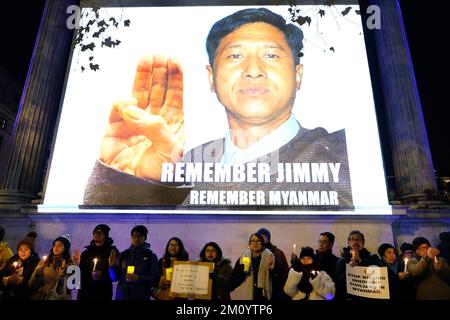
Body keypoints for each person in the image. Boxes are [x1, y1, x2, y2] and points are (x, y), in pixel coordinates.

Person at [83, 7, 353, 208]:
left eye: (271, 55)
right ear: (211, 78)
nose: (253, 71)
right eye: (235, 56)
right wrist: (125, 183)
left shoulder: (344, 155)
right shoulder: (180, 167)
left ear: (297, 75)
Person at [108, 225, 159, 300]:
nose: (136, 238)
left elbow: (155, 279)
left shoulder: (150, 256)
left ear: (145, 238)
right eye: (134, 236)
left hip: (141, 296)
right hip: (122, 296)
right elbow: (114, 278)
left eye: (140, 236)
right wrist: (112, 267)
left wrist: (138, 278)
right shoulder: (123, 254)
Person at [77, 224, 119, 300]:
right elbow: (80, 273)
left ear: (105, 236)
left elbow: (115, 275)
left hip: (102, 292)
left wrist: (102, 275)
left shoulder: (111, 252)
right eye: (96, 232)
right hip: (85, 293)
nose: (98, 234)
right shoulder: (86, 253)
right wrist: (75, 265)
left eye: (101, 233)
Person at [334, 230, 379, 300]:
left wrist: (360, 261)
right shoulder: (342, 261)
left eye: (359, 239)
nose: (356, 242)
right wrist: (349, 268)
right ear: (348, 243)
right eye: (352, 239)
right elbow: (338, 282)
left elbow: (378, 273)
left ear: (363, 243)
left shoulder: (373, 258)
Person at [229, 233, 275, 300]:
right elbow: (233, 280)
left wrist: (273, 270)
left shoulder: (269, 257)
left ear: (262, 244)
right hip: (247, 295)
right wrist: (241, 272)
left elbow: (277, 278)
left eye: (258, 241)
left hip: (263, 296)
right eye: (253, 241)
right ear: (249, 244)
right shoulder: (244, 257)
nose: (255, 243)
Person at [29, 234, 75, 300]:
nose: (56, 247)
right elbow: (31, 285)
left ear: (66, 248)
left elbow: (73, 287)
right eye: (54, 245)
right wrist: (37, 275)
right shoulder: (44, 262)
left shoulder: (71, 265)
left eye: (60, 245)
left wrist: (64, 276)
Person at [0, 232, 40, 300]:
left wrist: (22, 282)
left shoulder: (36, 264)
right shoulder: (12, 260)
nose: (23, 252)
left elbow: (35, 286)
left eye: (26, 249)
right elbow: (2, 275)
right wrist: (6, 280)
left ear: (31, 251)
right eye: (20, 249)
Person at [256, 227, 289, 300]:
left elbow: (285, 272)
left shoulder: (278, 253)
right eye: (259, 237)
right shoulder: (254, 253)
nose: (262, 239)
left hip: (276, 290)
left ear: (268, 238)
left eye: (264, 236)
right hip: (259, 290)